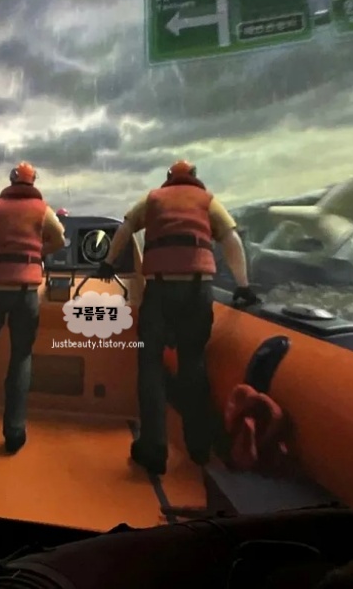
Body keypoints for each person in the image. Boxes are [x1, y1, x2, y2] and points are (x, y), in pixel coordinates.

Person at [96, 160, 259, 474]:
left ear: (168, 178)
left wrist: (108, 263)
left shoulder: (153, 199)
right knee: (193, 365)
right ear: (195, 178)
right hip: (197, 291)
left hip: (159, 291)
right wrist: (243, 285)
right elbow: (231, 240)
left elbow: (125, 228)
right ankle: (199, 448)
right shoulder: (207, 200)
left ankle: (153, 450)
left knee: (150, 367)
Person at [0, 162, 65, 453]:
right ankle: (14, 431)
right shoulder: (43, 210)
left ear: (11, 180)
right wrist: (37, 253)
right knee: (21, 357)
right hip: (26, 294)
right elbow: (59, 238)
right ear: (33, 182)